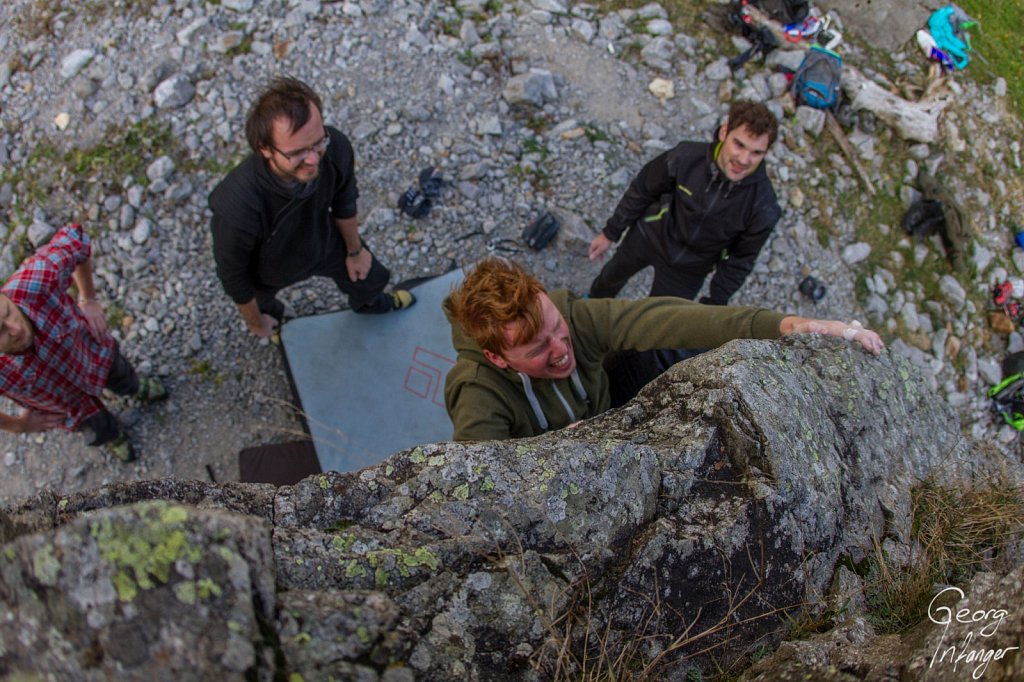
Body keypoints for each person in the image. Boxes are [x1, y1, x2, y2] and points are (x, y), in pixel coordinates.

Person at [444, 259, 883, 442]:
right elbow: (486, 485)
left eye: (558, 330)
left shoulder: (573, 318)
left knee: (663, 351)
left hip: (602, 409)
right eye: (538, 348)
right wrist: (553, 450)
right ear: (498, 358)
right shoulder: (479, 396)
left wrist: (793, 326)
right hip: (557, 447)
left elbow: (672, 318)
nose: (562, 351)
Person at [209, 77, 414, 338]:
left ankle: (372, 305)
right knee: (266, 309)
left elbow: (345, 199)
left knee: (370, 278)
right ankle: (276, 327)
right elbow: (233, 275)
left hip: (323, 239)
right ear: (265, 149)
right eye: (297, 153)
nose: (314, 159)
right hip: (267, 270)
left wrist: (354, 251)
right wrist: (255, 322)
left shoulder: (335, 146)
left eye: (318, 142)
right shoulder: (237, 205)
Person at [588, 100, 782, 305]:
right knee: (610, 277)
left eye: (756, 152)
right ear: (724, 133)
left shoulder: (763, 206)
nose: (744, 159)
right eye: (739, 144)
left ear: (766, 153)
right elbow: (643, 189)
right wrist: (611, 232)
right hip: (650, 235)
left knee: (657, 323)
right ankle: (592, 305)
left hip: (690, 270)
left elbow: (741, 261)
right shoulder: (686, 157)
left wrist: (715, 303)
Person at [0, 224, 167, 462]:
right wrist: (18, 426)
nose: (15, 329)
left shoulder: (34, 282)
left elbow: (75, 238)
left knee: (123, 376)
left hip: (95, 356)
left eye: (7, 312)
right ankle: (113, 436)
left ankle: (136, 388)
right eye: (1, 332)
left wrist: (88, 297)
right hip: (66, 407)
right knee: (97, 429)